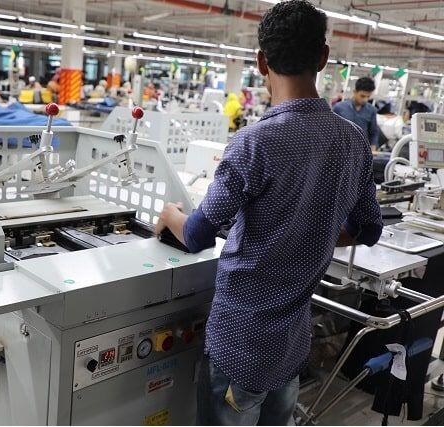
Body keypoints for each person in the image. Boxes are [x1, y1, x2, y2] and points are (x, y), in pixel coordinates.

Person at [155, 1, 383, 425]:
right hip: (291, 345)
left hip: (239, 343)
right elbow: (369, 229)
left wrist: (170, 214)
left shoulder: (254, 142)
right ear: (323, 57)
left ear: (261, 63)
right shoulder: (353, 140)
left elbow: (198, 234)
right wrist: (312, 229)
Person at [333, 77, 380, 150]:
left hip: (361, 149)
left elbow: (373, 132)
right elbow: (332, 130)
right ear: (355, 92)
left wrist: (373, 146)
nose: (365, 99)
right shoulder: (339, 108)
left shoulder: (372, 110)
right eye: (362, 96)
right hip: (341, 148)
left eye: (368, 96)